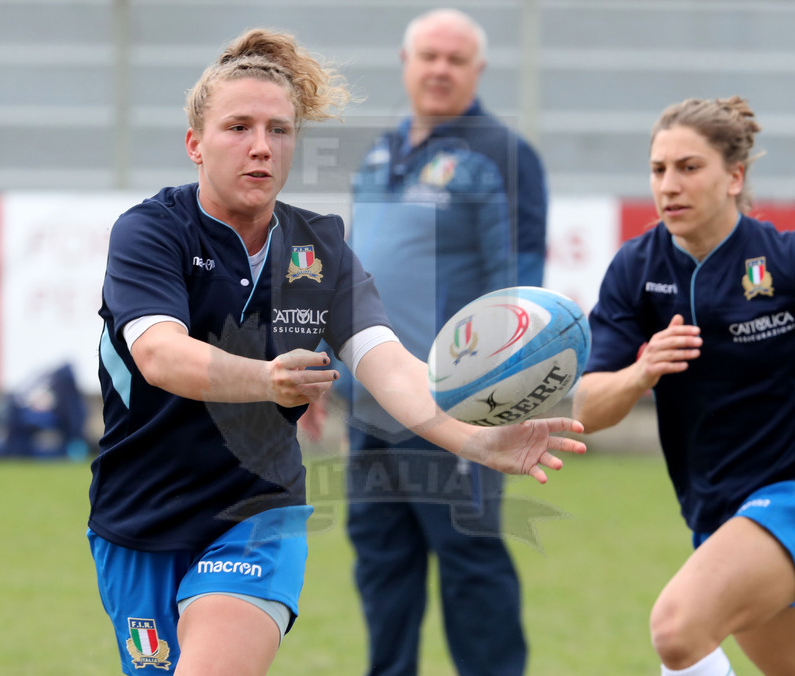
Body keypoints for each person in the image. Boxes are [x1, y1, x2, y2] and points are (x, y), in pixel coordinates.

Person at [87, 26, 584, 676]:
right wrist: (267, 378)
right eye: (238, 127)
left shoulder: (317, 250)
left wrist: (474, 439)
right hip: (136, 519)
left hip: (255, 517)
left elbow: (391, 366)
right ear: (194, 145)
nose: (261, 147)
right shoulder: (151, 232)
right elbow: (161, 356)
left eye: (280, 130)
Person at [337, 9, 547, 676]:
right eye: (428, 55)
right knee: (380, 565)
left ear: (477, 71)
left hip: (456, 407)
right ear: (405, 61)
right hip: (371, 402)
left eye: (455, 59)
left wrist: (492, 389)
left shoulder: (503, 156)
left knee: (470, 567)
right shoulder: (379, 151)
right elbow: (352, 274)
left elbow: (516, 288)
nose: (439, 69)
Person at [573, 96, 795, 676]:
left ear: (734, 177)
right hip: (716, 508)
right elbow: (587, 409)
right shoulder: (636, 269)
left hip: (786, 496)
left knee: (678, 629)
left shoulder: (783, 261)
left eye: (689, 167)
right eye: (658, 169)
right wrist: (641, 373)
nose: (669, 184)